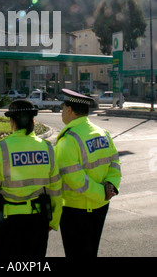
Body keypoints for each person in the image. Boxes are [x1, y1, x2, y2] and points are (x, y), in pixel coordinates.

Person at [0, 99, 62, 259]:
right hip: (37, 222)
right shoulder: (46, 148)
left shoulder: (2, 149)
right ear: (33, 121)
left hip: (7, 224)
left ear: (12, 122)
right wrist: (53, 221)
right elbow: (56, 190)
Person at [55, 89, 122, 258]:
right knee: (91, 252)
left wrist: (101, 194)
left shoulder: (69, 140)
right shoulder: (103, 133)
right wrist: (110, 186)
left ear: (69, 110)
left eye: (63, 108)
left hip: (76, 210)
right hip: (101, 207)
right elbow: (115, 163)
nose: (62, 112)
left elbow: (75, 180)